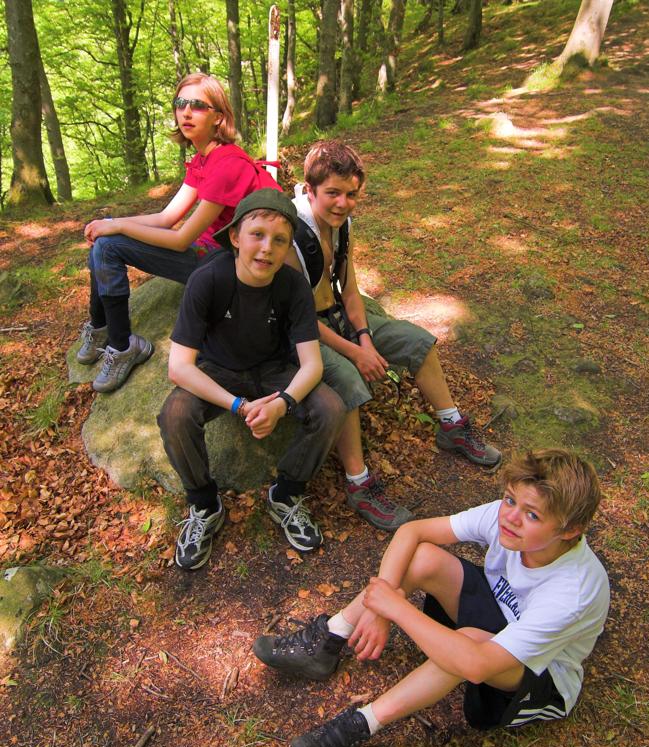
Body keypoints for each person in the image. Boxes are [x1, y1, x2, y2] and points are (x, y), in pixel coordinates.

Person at [253, 448, 610, 747]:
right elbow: (413, 531)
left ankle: (359, 725)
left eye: (532, 515)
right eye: (510, 499)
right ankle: (330, 638)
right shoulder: (507, 517)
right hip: (498, 617)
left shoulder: (572, 591)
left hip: (540, 678)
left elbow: (477, 664)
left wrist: (395, 608)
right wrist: (379, 608)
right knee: (423, 557)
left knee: (468, 644)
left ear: (569, 530)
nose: (511, 517)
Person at [284, 141, 501, 533]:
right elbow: (297, 318)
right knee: (348, 380)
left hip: (339, 317)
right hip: (304, 331)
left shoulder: (342, 224)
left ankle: (452, 426)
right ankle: (359, 483)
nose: (343, 203)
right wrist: (355, 354)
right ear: (310, 189)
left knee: (419, 342)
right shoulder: (291, 233)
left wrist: (365, 339)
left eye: (351, 194)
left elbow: (350, 290)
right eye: (333, 193)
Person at [157, 189, 345, 570]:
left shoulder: (292, 285)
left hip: (273, 370)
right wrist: (238, 406)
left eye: (279, 240)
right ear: (235, 237)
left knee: (331, 407)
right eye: (257, 234)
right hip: (219, 370)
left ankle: (286, 494)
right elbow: (179, 367)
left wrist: (282, 404)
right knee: (175, 414)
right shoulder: (208, 279)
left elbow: (311, 365)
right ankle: (204, 504)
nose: (266, 248)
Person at [79, 72, 279, 393]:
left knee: (108, 245)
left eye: (198, 105)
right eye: (180, 103)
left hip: (235, 267)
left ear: (218, 117)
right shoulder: (203, 158)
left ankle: (121, 344)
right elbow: (167, 217)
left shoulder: (227, 163)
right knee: (105, 240)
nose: (186, 112)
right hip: (215, 255)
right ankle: (102, 326)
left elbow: (180, 238)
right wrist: (112, 223)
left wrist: (117, 226)